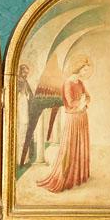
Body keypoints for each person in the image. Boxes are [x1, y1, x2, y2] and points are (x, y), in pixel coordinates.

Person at [36, 55, 91, 193]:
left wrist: (85, 100)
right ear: (79, 69)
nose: (86, 73)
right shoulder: (68, 83)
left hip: (82, 117)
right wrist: (81, 102)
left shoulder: (80, 82)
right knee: (71, 146)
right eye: (85, 70)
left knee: (81, 144)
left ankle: (79, 175)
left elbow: (88, 96)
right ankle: (67, 176)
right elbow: (71, 102)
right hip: (73, 118)